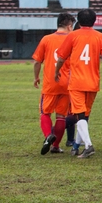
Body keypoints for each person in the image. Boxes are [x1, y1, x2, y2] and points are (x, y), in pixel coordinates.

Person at [55, 8, 102, 158]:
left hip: (76, 82)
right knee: (84, 116)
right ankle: (76, 146)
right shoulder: (100, 37)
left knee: (80, 115)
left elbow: (61, 57)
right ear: (94, 21)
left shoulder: (73, 35)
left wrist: (57, 71)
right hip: (93, 82)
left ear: (79, 21)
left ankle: (88, 146)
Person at [32, 12, 76, 155]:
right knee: (61, 116)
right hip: (67, 83)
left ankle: (48, 136)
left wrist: (36, 77)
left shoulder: (47, 39)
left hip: (51, 82)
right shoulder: (72, 39)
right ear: (69, 26)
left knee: (45, 113)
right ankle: (56, 146)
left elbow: (37, 61)